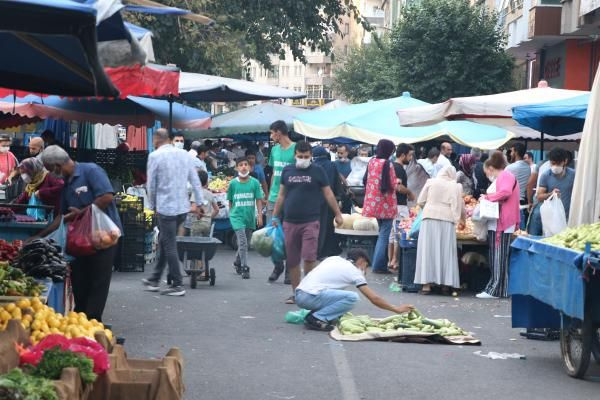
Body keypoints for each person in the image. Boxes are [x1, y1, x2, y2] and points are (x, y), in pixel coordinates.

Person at [35, 146, 122, 322]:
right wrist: (40, 236)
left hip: (104, 238)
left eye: (51, 170)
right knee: (80, 284)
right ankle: (80, 320)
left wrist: (82, 213)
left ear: (58, 165)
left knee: (97, 285)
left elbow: (106, 197)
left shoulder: (91, 171)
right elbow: (63, 216)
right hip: (79, 242)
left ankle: (92, 323)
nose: (51, 174)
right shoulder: (67, 184)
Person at [272, 141, 343, 304]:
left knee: (310, 257)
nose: (303, 159)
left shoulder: (318, 171)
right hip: (289, 222)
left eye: (306, 156)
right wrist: (275, 217)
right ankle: (297, 293)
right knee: (292, 259)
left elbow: (328, 193)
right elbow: (281, 195)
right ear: (294, 155)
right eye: (300, 156)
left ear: (311, 156)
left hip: (311, 221)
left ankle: (309, 290)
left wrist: (338, 214)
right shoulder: (287, 170)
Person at [142, 128, 204, 297]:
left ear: (157, 139)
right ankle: (154, 279)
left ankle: (177, 284)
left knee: (169, 244)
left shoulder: (154, 156)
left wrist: (152, 205)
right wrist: (200, 202)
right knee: (164, 241)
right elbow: (195, 180)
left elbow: (151, 185)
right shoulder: (184, 155)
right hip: (182, 208)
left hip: (166, 207)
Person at [295, 249, 414, 331]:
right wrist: (396, 309)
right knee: (352, 298)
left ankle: (315, 315)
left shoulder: (333, 259)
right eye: (366, 266)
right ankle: (317, 318)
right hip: (310, 296)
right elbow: (374, 298)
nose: (365, 271)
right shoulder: (354, 272)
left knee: (341, 294)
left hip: (300, 294)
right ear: (361, 261)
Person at [414, 166, 465, 294]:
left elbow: (420, 201)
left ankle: (426, 285)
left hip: (429, 218)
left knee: (428, 250)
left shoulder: (431, 182)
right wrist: (461, 220)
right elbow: (460, 205)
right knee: (446, 252)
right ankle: (445, 285)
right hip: (447, 219)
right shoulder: (456, 186)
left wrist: (430, 207)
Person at [476, 151, 520, 299]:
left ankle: (496, 290)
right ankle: (498, 288)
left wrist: (488, 197)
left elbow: (505, 192)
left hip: (502, 221)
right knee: (497, 255)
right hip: (498, 221)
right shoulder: (505, 176)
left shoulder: (505, 176)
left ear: (490, 167)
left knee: (499, 256)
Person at [266, 120, 296, 283]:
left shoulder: (296, 149)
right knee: (272, 236)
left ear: (278, 132)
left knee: (289, 236)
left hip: (291, 198)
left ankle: (289, 272)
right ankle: (278, 265)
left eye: (272, 133)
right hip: (274, 198)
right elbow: (274, 174)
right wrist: (270, 193)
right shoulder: (274, 150)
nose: (271, 136)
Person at [362, 139, 398, 274]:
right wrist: (398, 181)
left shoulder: (371, 161)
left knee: (381, 233)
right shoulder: (387, 164)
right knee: (384, 235)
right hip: (386, 203)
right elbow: (392, 184)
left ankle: (380, 264)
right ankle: (378, 266)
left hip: (373, 203)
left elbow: (366, 179)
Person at [228, 157, 264, 279]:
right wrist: (231, 214)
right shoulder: (233, 183)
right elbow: (230, 201)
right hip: (237, 216)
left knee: (246, 243)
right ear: (237, 168)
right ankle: (244, 267)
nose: (243, 167)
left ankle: (237, 262)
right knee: (242, 242)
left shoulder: (254, 183)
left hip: (249, 216)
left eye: (245, 164)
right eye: (241, 165)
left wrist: (259, 215)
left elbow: (258, 200)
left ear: (250, 167)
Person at [528, 147, 575, 236]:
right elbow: (539, 196)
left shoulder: (573, 175)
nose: (555, 166)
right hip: (551, 218)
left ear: (565, 161)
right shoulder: (546, 175)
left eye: (558, 163)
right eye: (553, 163)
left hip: (568, 217)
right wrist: (551, 194)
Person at [388, 144, 415, 271]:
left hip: (392, 205)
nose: (410, 159)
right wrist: (409, 192)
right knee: (401, 232)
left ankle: (390, 261)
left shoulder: (391, 166)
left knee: (393, 234)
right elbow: (398, 187)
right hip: (399, 205)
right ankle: (395, 261)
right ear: (403, 155)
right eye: (409, 155)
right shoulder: (399, 168)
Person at [312, 146, 342, 259]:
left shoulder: (313, 166)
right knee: (327, 226)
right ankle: (325, 250)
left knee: (315, 226)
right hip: (329, 201)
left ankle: (314, 251)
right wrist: (338, 199)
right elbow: (337, 184)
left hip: (314, 200)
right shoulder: (332, 165)